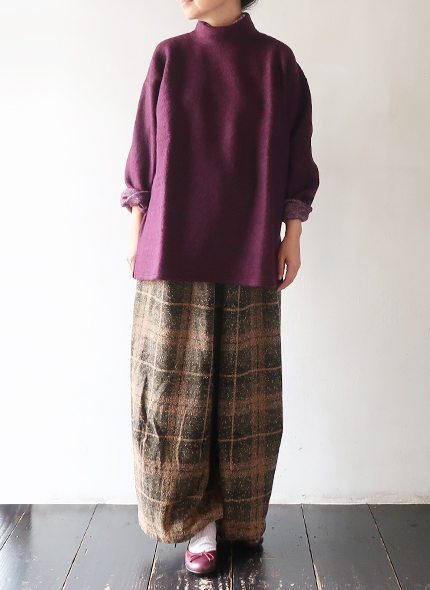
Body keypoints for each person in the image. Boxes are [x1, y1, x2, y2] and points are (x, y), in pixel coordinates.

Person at [120, 0, 319, 576]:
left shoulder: (278, 63)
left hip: (249, 247)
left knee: (246, 397)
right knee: (171, 396)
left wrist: (292, 234)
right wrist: (135, 231)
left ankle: (241, 519)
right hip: (170, 249)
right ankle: (196, 523)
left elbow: (297, 156)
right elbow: (143, 151)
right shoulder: (169, 57)